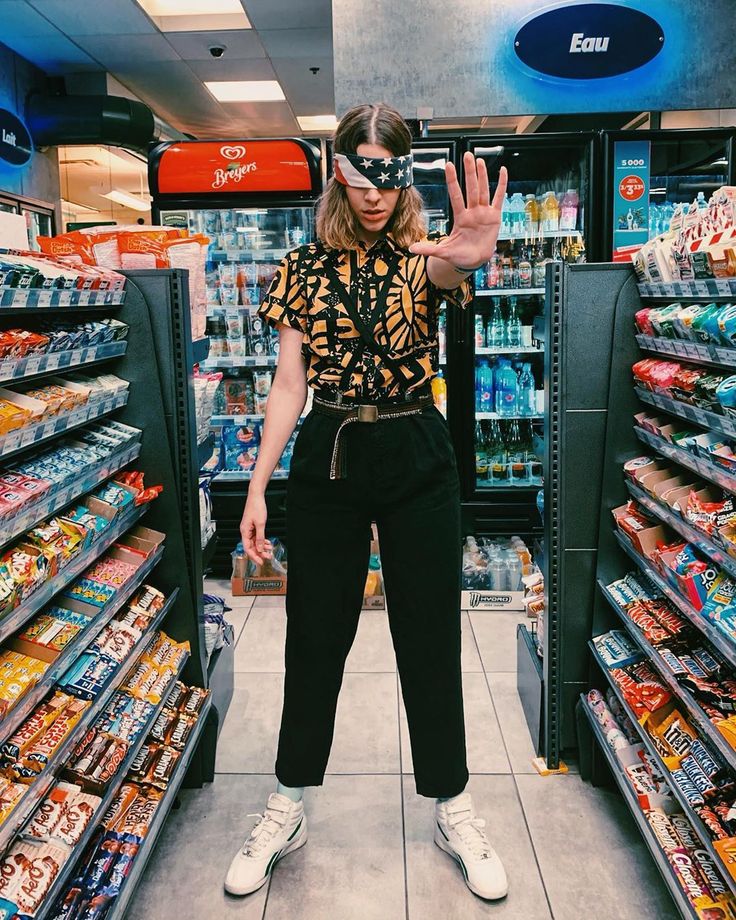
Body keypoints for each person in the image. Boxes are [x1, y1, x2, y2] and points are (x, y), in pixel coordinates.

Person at [225, 102, 509, 903]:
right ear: (337, 172)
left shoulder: (428, 255)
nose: (375, 193)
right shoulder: (303, 266)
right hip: (330, 450)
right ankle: (289, 800)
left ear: (405, 175)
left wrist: (475, 252)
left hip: (418, 446)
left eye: (389, 173)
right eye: (360, 172)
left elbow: (455, 266)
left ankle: (453, 803)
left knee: (429, 632)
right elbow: (288, 384)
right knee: (315, 633)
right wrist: (257, 481)